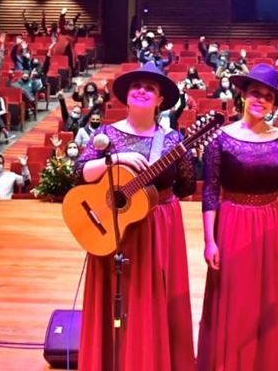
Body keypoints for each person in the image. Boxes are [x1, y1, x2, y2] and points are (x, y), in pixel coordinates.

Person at [72, 62, 196, 370]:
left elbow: (186, 185)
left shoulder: (172, 140)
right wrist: (115, 158)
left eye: (150, 88)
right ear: (126, 97)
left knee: (152, 297)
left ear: (160, 101)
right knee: (118, 297)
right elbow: (80, 174)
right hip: (112, 226)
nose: (142, 91)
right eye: (136, 86)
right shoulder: (105, 135)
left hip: (158, 226)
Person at [197, 64, 278, 370]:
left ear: (273, 104)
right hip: (233, 220)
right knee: (236, 298)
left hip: (271, 221)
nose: (261, 100)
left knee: (267, 297)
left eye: (268, 97)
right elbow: (210, 192)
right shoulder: (221, 139)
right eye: (255, 93)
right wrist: (209, 241)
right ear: (242, 95)